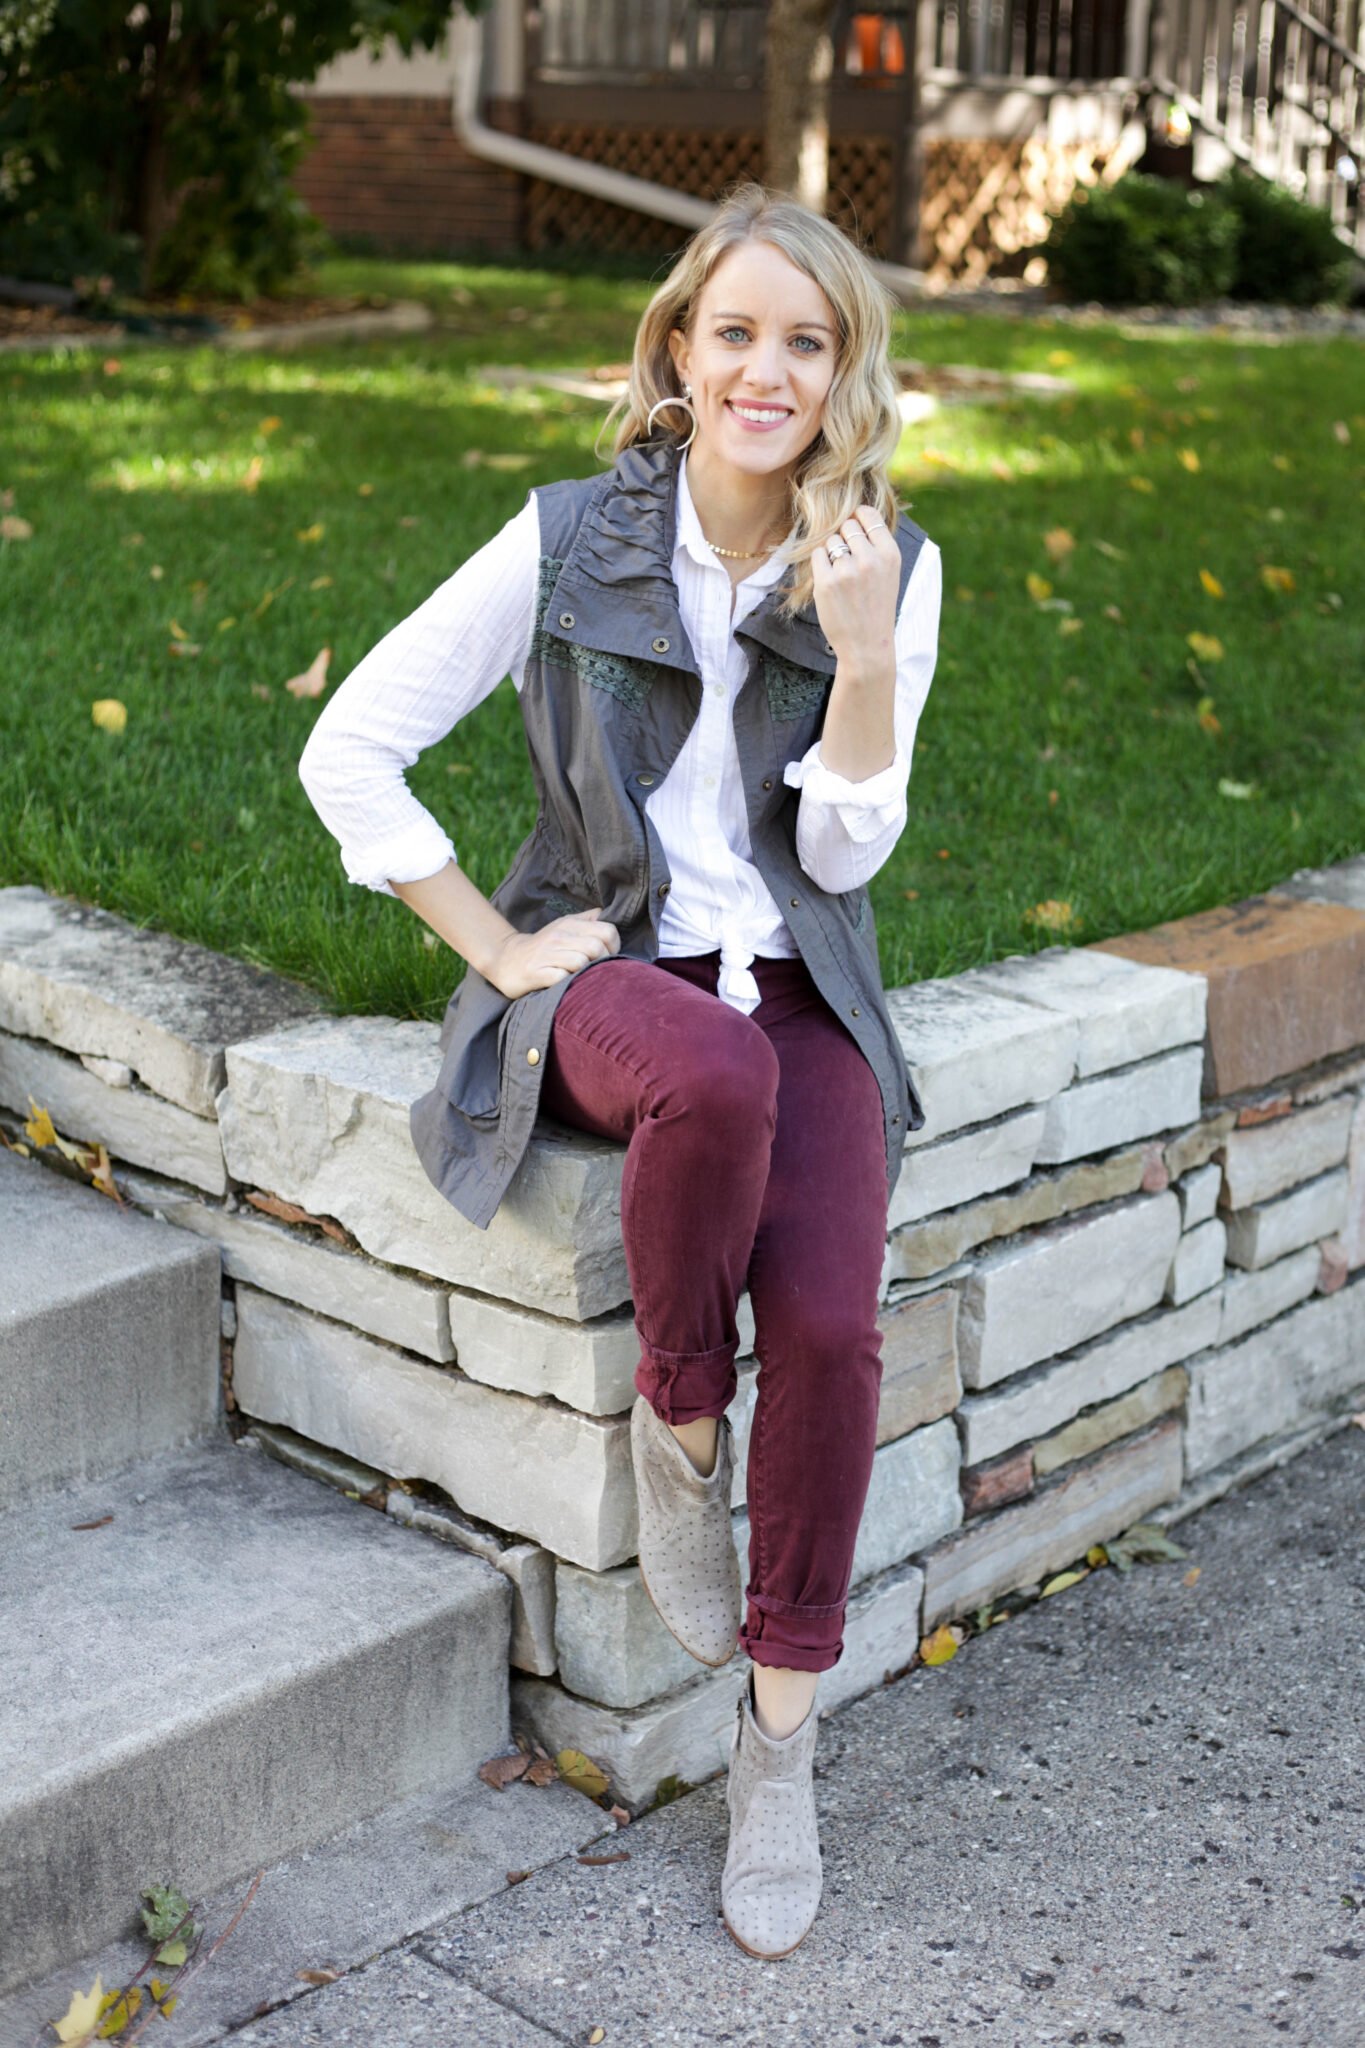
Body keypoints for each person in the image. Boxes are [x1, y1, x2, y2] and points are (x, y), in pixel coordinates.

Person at [298, 180, 942, 1961]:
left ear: (842, 369)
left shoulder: (888, 559)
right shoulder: (569, 536)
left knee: (827, 1322)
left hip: (795, 983)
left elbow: (839, 867)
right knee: (711, 1078)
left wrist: (868, 652)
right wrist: (500, 951)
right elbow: (350, 747)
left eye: (803, 341)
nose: (766, 369)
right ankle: (678, 1418)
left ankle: (778, 1736)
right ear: (676, 346)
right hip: (612, 980)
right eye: (732, 331)